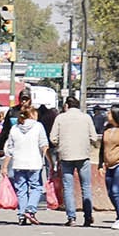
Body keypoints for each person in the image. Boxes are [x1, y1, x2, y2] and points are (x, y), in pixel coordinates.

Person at [50, 95, 98, 227]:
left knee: (68, 187)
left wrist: (60, 144)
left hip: (66, 156)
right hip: (83, 155)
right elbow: (94, 137)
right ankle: (88, 216)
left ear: (66, 105)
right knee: (86, 186)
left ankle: (71, 218)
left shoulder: (60, 118)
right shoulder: (86, 117)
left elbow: (53, 138)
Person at [4, 104, 51, 226]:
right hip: (34, 163)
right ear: (32, 114)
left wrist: (5, 166)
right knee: (36, 187)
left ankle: (21, 215)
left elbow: (9, 149)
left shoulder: (15, 128)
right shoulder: (38, 126)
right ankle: (30, 209)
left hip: (18, 163)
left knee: (21, 190)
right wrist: (50, 162)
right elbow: (44, 145)